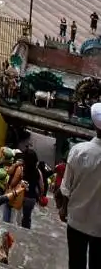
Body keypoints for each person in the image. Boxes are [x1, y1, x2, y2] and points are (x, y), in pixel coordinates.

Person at [59, 102, 101, 268]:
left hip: (76, 219)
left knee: (76, 262)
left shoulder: (78, 151)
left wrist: (63, 208)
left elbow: (66, 186)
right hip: (99, 226)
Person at [2, 148, 44, 229]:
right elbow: (42, 188)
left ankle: (6, 226)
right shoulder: (38, 171)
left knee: (9, 207)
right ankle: (26, 232)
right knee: (27, 218)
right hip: (32, 199)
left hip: (21, 197)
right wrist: (39, 197)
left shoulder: (21, 169)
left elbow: (13, 184)